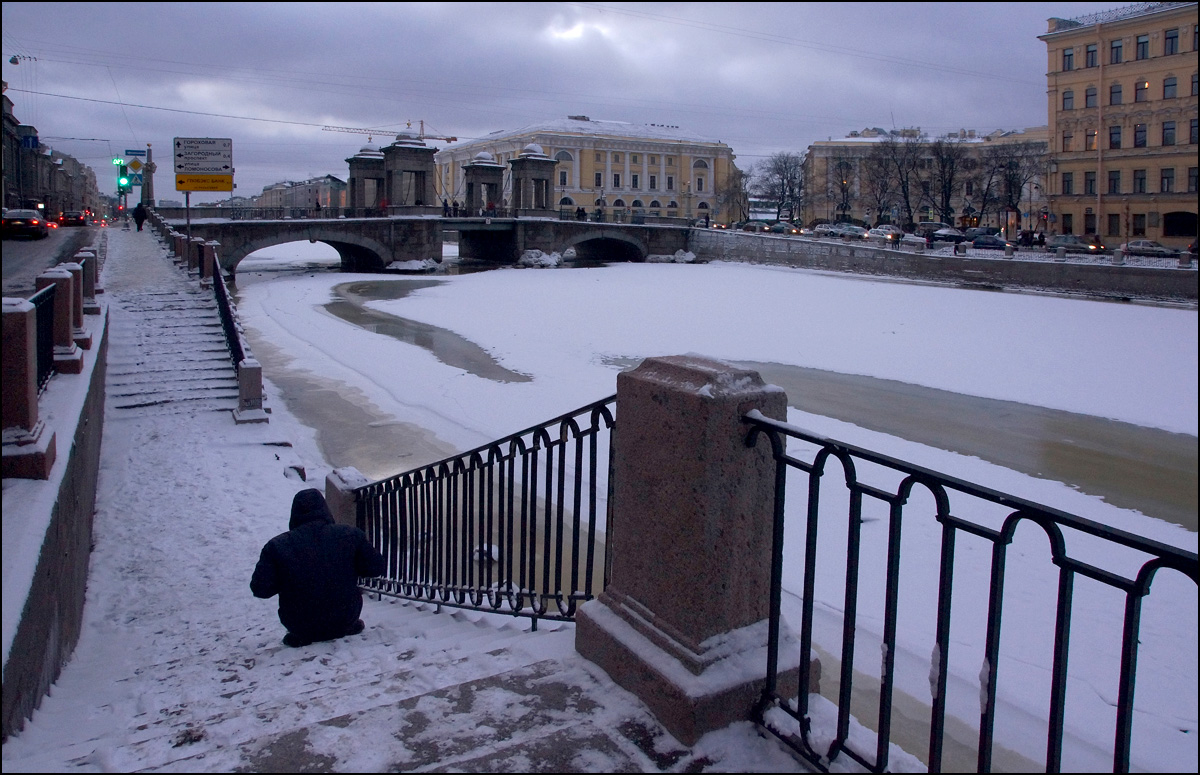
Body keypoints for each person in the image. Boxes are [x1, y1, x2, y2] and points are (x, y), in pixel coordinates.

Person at [251, 489, 385, 647]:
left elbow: (261, 589)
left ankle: (303, 634)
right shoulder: (351, 535)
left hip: (300, 625)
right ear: (325, 509)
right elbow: (376, 568)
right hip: (346, 618)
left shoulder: (276, 546)